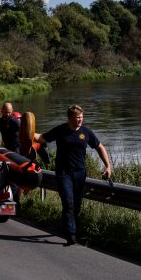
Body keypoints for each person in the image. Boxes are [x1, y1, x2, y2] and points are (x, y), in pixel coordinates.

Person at [34, 104, 112, 246]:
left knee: (76, 205)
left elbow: (99, 147)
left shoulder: (86, 132)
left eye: (81, 117)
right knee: (68, 202)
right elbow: (42, 138)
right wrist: (27, 130)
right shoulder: (60, 130)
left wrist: (108, 166)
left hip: (80, 173)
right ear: (69, 118)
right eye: (77, 117)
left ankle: (68, 226)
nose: (80, 120)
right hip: (64, 173)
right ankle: (71, 235)